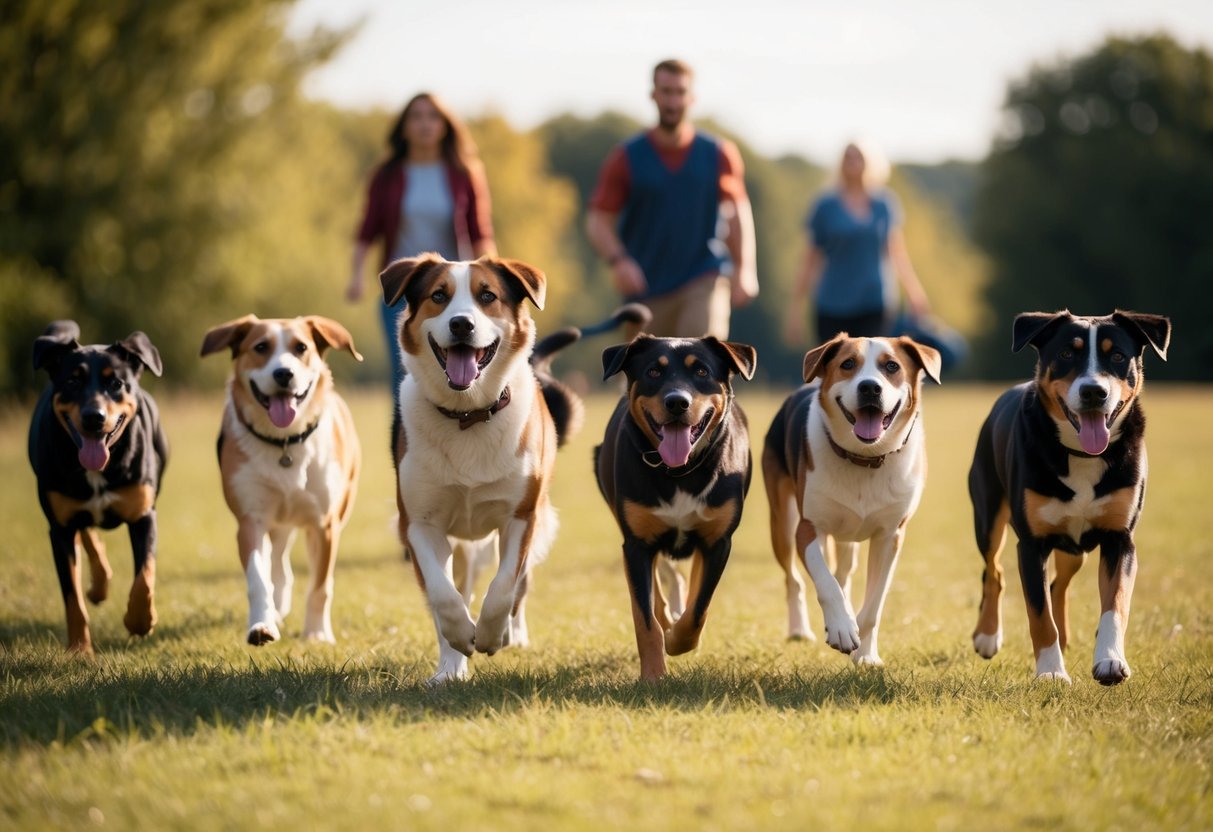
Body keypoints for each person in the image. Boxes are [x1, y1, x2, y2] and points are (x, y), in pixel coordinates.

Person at [585, 59, 758, 340]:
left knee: (699, 349)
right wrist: (619, 261)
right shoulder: (627, 157)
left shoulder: (718, 154)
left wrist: (745, 268)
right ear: (653, 95)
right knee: (646, 365)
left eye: (680, 92)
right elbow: (598, 220)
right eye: (666, 92)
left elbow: (738, 210)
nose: (673, 101)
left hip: (703, 275)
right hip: (646, 287)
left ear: (692, 97)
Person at [347, 92, 496, 403]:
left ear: (445, 125)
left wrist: (494, 282)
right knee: (404, 372)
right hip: (403, 289)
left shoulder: (464, 172)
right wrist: (356, 276)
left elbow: (480, 232)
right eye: (416, 117)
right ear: (404, 127)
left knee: (460, 364)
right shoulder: (387, 175)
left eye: (433, 117)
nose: (425, 124)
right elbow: (367, 230)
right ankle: (404, 433)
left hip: (456, 291)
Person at [785, 141, 930, 345]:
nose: (853, 162)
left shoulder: (884, 204)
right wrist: (795, 308)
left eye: (858, 157)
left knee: (872, 360)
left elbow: (896, 253)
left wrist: (914, 292)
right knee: (834, 363)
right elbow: (810, 259)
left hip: (874, 302)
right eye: (848, 157)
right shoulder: (825, 206)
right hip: (831, 303)